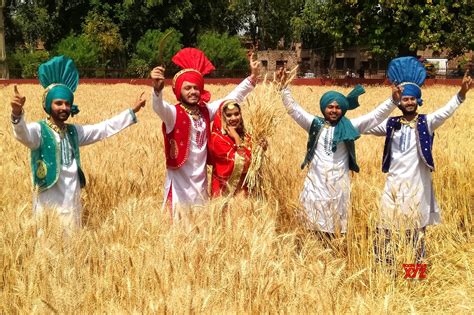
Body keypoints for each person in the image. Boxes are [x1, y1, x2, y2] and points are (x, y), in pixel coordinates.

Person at [10, 56, 145, 231]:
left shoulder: (73, 132)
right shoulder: (39, 130)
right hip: (48, 203)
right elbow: (23, 135)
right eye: (58, 103)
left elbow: (102, 129)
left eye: (67, 104)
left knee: (72, 241)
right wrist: (17, 114)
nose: (64, 108)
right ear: (48, 105)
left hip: (71, 202)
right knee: (48, 243)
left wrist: (130, 112)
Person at [364, 57, 472, 263]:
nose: (409, 102)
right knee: (385, 230)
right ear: (399, 102)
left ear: (418, 100)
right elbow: (366, 125)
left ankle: (415, 277)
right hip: (393, 188)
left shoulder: (426, 123)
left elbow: (445, 112)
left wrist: (461, 94)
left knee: (416, 235)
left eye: (412, 99)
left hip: (417, 187)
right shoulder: (390, 124)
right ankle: (386, 275)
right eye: (405, 99)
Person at [276, 67, 401, 240]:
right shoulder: (314, 124)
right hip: (315, 185)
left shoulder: (350, 126)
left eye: (337, 107)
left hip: (339, 186)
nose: (334, 110)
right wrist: (283, 88)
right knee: (311, 225)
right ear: (323, 108)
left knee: (335, 228)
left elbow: (374, 117)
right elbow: (294, 110)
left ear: (342, 109)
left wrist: (393, 101)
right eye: (330, 107)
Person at [150, 48, 260, 216]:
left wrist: (252, 78)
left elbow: (231, 98)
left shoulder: (204, 111)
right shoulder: (173, 114)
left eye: (196, 87)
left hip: (200, 181)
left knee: (200, 225)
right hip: (180, 183)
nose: (193, 92)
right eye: (187, 88)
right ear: (179, 91)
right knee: (178, 226)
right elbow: (159, 108)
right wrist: (157, 91)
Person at [209, 99, 252, 197]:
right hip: (226, 194)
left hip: (245, 193)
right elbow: (242, 165)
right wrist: (237, 139)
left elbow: (255, 163)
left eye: (237, 114)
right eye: (228, 115)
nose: (234, 118)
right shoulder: (217, 139)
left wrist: (261, 149)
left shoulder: (245, 135)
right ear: (221, 117)